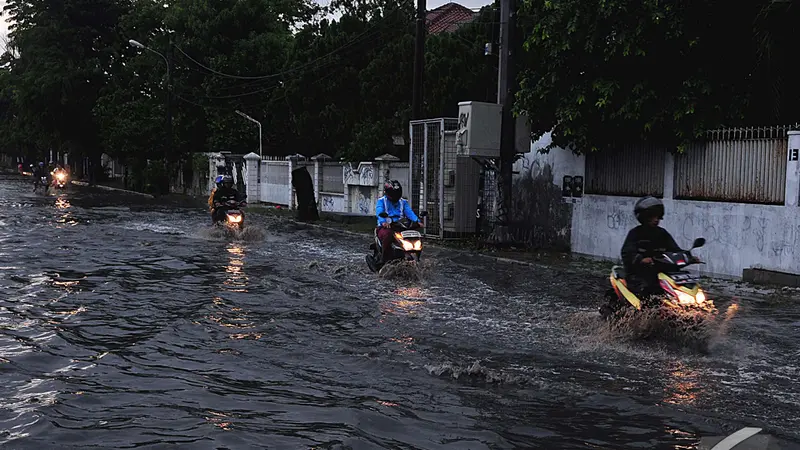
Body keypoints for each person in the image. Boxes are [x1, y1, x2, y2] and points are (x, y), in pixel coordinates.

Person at [620, 196, 693, 300]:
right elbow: (627, 252)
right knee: (648, 292)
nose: (656, 220)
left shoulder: (662, 234)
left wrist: (688, 257)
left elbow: (675, 249)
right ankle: (642, 314)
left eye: (658, 217)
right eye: (652, 216)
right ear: (644, 217)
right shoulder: (635, 234)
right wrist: (641, 259)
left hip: (660, 272)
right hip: (638, 275)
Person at [375, 180, 423, 264]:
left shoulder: (403, 202)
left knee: (414, 235)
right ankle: (383, 259)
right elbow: (379, 212)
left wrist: (417, 221)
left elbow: (409, 213)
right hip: (385, 227)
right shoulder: (382, 201)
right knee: (388, 235)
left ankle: (417, 258)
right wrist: (384, 222)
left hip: (400, 226)